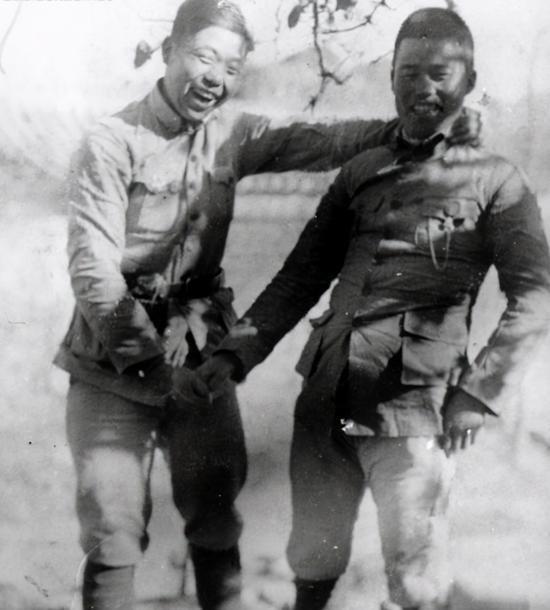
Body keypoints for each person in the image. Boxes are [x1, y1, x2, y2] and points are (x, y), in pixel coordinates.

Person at [191, 7, 550, 610]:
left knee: (415, 582)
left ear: (469, 80)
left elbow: (535, 294)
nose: (423, 88)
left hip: (415, 413)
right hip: (327, 400)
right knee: (311, 566)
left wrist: (479, 392)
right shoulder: (360, 172)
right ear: (391, 79)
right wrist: (236, 354)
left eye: (440, 73)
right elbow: (301, 276)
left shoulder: (497, 182)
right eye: (409, 73)